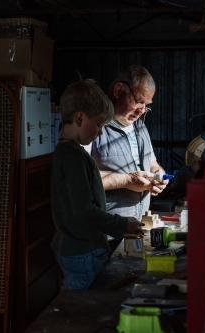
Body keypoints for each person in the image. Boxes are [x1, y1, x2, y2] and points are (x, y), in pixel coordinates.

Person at [51, 78, 144, 290]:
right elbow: (84, 211)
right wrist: (121, 224)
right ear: (80, 118)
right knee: (87, 308)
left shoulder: (62, 152)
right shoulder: (75, 158)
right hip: (84, 251)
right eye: (99, 125)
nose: (101, 132)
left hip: (71, 246)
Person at [90, 65, 169, 221]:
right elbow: (81, 179)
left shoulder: (140, 126)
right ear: (118, 90)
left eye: (147, 105)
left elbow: (152, 162)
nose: (142, 110)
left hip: (136, 226)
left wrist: (159, 175)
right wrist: (127, 181)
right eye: (139, 101)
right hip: (105, 232)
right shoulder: (92, 127)